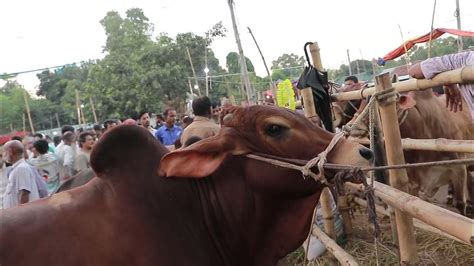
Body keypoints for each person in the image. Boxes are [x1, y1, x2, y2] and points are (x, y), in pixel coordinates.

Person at [408, 51, 473, 120]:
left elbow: (414, 72)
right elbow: (414, 72)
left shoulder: (464, 59)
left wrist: (448, 80)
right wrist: (450, 80)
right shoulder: (464, 59)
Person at [2, 140, 41, 208]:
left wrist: (20, 213)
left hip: (22, 215)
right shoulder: (17, 168)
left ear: (10, 152)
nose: (4, 155)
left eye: (5, 152)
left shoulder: (21, 169)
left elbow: (24, 193)